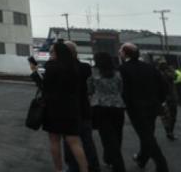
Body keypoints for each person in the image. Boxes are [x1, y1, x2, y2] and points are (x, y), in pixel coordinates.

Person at [30, 41, 90, 172]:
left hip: (53, 108)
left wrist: (35, 72)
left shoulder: (51, 66)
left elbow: (45, 87)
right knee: (74, 141)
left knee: (54, 140)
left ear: (57, 53)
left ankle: (58, 169)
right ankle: (85, 169)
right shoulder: (74, 67)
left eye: (52, 51)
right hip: (71, 108)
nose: (50, 54)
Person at [118, 43, 168, 171]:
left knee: (146, 136)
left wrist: (125, 105)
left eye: (121, 51)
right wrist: (159, 100)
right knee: (148, 133)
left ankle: (161, 164)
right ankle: (142, 159)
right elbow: (163, 85)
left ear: (125, 53)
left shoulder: (123, 69)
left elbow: (124, 90)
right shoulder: (150, 67)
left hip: (136, 108)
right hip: (152, 105)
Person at [62, 43, 100, 172]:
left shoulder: (63, 69)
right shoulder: (86, 67)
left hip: (68, 110)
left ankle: (73, 167)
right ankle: (93, 166)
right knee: (87, 140)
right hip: (85, 108)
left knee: (70, 141)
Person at [89, 52, 126, 172]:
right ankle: (111, 159)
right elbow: (121, 89)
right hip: (118, 106)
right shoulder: (118, 74)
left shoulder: (94, 73)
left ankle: (117, 164)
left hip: (100, 107)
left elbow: (90, 89)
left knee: (106, 136)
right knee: (117, 134)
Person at [157, 61, 179, 141]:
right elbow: (174, 76)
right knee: (172, 116)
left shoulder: (158, 74)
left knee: (164, 116)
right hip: (170, 98)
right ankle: (170, 132)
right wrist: (172, 69)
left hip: (162, 98)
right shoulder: (167, 75)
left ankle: (168, 131)